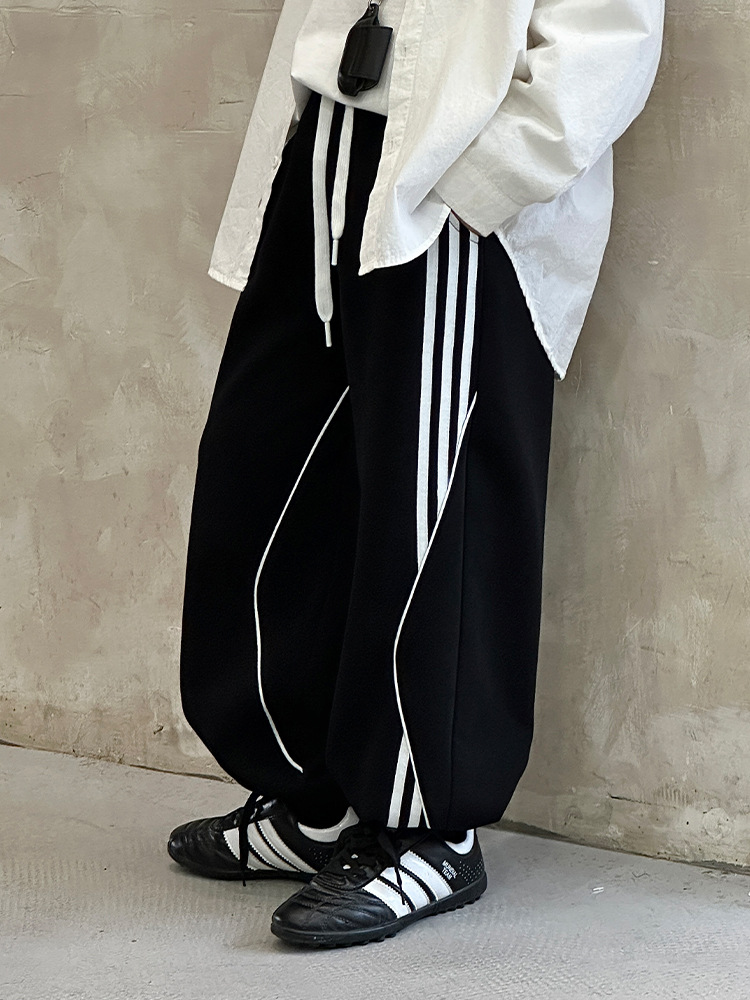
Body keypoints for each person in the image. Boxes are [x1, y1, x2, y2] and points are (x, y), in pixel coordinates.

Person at [168, 0, 665, 948]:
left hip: (454, 169)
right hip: (329, 139)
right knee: (267, 477)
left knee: (436, 513)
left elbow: (611, 36)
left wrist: (483, 183)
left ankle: (429, 829)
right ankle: (318, 802)